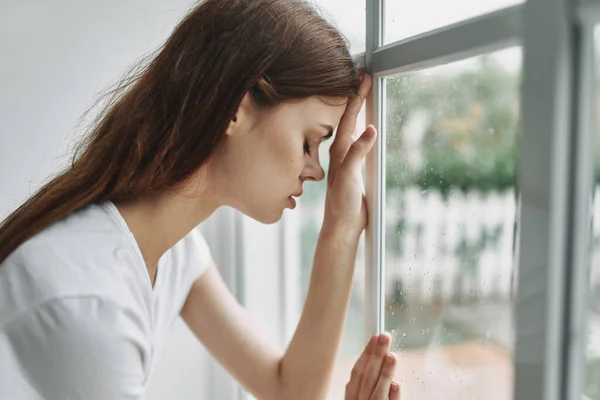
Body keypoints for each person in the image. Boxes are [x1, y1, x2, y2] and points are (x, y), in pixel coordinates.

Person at [0, 0, 401, 399]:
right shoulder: (89, 300)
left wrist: (341, 226)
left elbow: (290, 389)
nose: (316, 170)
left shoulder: (170, 252)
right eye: (309, 142)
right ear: (234, 110)